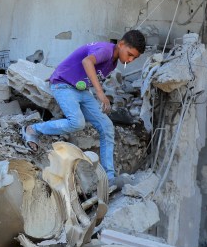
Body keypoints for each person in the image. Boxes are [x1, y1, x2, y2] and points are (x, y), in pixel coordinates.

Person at [21, 30, 146, 182]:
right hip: (63, 85)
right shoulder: (107, 50)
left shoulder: (113, 61)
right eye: (130, 54)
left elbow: (78, 61)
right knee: (77, 122)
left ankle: (109, 177)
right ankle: (32, 129)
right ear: (121, 44)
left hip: (80, 89)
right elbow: (87, 61)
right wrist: (100, 93)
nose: (131, 59)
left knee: (107, 126)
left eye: (135, 57)